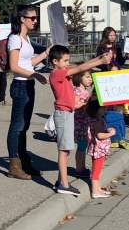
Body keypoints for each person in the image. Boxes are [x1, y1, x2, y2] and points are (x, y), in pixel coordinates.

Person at [47, 44, 112, 196]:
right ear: (55, 62)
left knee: (66, 149)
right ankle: (63, 184)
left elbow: (81, 66)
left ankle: (61, 181)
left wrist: (100, 58)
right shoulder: (57, 74)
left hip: (68, 113)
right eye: (64, 60)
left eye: (68, 60)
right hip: (63, 115)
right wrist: (100, 61)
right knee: (64, 151)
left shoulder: (62, 72)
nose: (67, 63)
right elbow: (80, 69)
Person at [5, 5, 49, 180]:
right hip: (20, 85)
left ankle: (24, 161)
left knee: (24, 126)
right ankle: (14, 165)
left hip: (28, 84)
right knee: (17, 127)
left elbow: (27, 62)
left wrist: (45, 53)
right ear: (22, 19)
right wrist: (35, 74)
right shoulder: (15, 39)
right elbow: (14, 66)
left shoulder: (26, 39)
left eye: (36, 18)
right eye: (32, 18)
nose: (35, 21)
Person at [84, 97, 115, 199]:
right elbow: (99, 135)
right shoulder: (97, 121)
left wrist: (107, 129)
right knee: (96, 171)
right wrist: (111, 133)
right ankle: (95, 191)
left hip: (98, 149)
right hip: (99, 150)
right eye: (102, 108)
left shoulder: (95, 119)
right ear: (96, 110)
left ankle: (97, 189)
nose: (105, 109)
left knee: (97, 170)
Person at [72, 69, 95, 179]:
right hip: (80, 123)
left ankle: (82, 167)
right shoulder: (77, 91)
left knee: (83, 146)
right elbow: (75, 105)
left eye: (90, 77)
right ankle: (79, 169)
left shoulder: (85, 91)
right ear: (79, 78)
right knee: (81, 146)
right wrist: (85, 104)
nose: (90, 79)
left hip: (85, 123)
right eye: (87, 77)